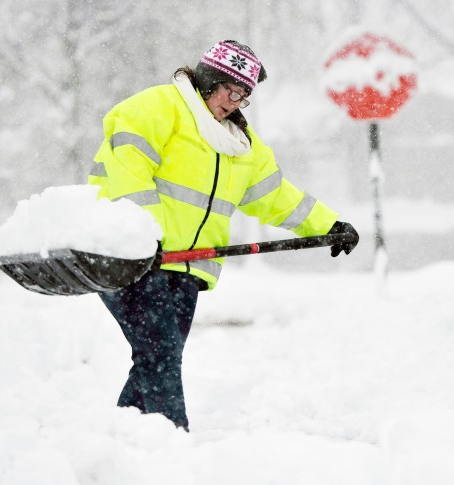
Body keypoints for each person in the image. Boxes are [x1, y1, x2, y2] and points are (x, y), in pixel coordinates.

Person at [87, 40, 358, 431]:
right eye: (232, 91)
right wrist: (143, 233)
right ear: (210, 80)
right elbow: (128, 167)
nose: (235, 102)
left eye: (244, 97)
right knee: (159, 353)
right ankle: (172, 439)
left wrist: (328, 225)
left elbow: (276, 196)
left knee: (157, 357)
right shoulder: (160, 108)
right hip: (130, 259)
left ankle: (128, 437)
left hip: (186, 269)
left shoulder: (240, 145)